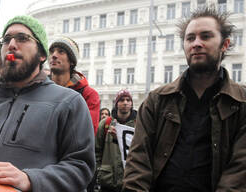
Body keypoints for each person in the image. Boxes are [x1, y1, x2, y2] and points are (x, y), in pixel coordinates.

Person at [0, 15, 95, 191]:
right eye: (6, 40)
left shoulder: (69, 102)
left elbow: (81, 167)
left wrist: (30, 179)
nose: (11, 45)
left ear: (42, 54)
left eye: (22, 38)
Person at [123, 6, 246, 191]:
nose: (196, 43)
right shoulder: (157, 100)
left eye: (206, 36)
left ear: (225, 44)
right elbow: (138, 161)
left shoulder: (241, 103)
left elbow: (240, 170)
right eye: (190, 38)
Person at [49, 36, 100, 134]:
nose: (54, 55)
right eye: (52, 52)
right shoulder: (40, 89)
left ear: (72, 61)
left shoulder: (89, 95)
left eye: (61, 52)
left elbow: (86, 133)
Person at [95, 89, 137, 192]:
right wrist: (99, 171)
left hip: (131, 181)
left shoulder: (139, 125)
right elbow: (97, 151)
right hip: (108, 181)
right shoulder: (105, 124)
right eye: (122, 100)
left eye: (128, 100)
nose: (125, 103)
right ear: (116, 103)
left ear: (131, 103)